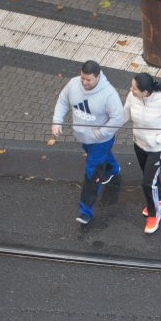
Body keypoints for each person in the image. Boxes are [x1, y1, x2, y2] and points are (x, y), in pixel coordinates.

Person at [52, 61, 126, 224]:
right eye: (82, 78)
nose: (84, 83)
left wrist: (101, 133)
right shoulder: (73, 84)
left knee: (92, 173)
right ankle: (113, 169)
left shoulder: (109, 95)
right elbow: (63, 101)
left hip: (101, 141)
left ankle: (85, 211)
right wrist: (57, 121)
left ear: (98, 77)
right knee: (101, 162)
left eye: (88, 80)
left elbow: (118, 118)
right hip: (84, 138)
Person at [122, 72, 161, 234]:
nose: (131, 90)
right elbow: (125, 115)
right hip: (139, 144)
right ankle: (159, 200)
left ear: (146, 93)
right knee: (151, 179)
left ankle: (154, 214)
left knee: (147, 183)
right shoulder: (132, 97)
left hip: (157, 149)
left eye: (134, 88)